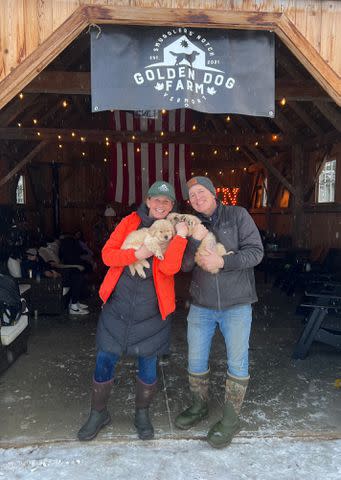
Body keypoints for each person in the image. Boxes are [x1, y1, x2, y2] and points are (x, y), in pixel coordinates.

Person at [78, 181, 188, 442]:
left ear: (172, 206)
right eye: (156, 200)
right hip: (118, 306)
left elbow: (171, 268)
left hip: (152, 310)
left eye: (166, 202)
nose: (160, 205)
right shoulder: (129, 222)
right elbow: (107, 255)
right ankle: (98, 412)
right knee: (105, 358)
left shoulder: (173, 231)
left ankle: (142, 413)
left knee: (148, 363)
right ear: (147, 201)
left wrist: (181, 237)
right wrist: (138, 253)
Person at [174, 176, 264, 449]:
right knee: (196, 360)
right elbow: (186, 266)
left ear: (214, 194)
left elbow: (256, 253)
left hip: (236, 305)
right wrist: (193, 240)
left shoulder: (238, 215)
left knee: (237, 364)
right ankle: (199, 406)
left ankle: (231, 419)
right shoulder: (193, 224)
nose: (198, 198)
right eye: (193, 196)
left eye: (202, 192)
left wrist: (222, 261)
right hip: (201, 305)